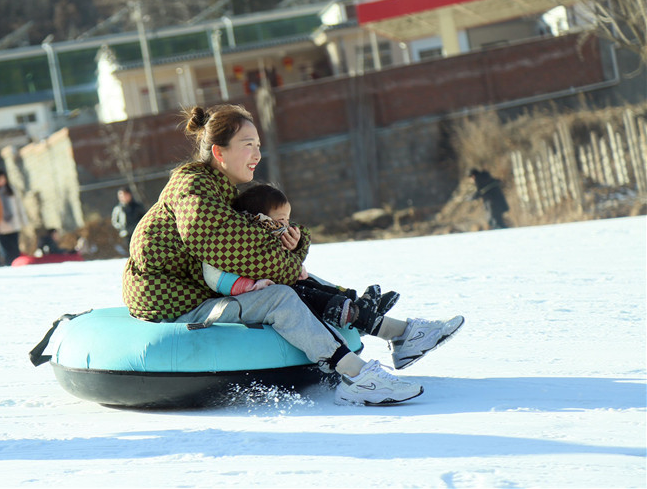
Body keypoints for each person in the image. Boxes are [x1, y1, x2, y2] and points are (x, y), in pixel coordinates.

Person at [122, 104, 464, 406]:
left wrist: (294, 244)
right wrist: (289, 266)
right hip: (174, 302)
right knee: (282, 296)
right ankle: (356, 378)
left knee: (300, 282)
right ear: (219, 152)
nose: (257, 154)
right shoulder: (193, 188)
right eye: (247, 145)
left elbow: (254, 234)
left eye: (258, 145)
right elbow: (223, 243)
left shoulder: (218, 189)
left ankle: (402, 334)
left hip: (200, 289)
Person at [202, 183, 400, 334]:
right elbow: (218, 278)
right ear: (258, 219)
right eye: (280, 221)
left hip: (283, 283)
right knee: (304, 291)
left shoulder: (271, 237)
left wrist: (294, 248)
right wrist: (253, 286)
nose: (285, 226)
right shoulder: (229, 244)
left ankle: (357, 301)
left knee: (311, 282)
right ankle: (347, 311)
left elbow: (284, 263)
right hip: (259, 296)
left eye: (287, 220)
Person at [0, 168, 28, 265]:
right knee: (5, 250)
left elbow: (19, 205)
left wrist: (24, 220)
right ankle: (8, 265)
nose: (1, 181)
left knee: (15, 248)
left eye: (2, 178)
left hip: (14, 223)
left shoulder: (12, 189)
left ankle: (17, 264)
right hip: (0, 224)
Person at [111, 187, 145, 255]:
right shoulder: (118, 209)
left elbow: (144, 218)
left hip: (137, 233)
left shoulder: (137, 206)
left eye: (125, 195)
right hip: (125, 234)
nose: (123, 197)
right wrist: (121, 227)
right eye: (121, 196)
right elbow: (114, 221)